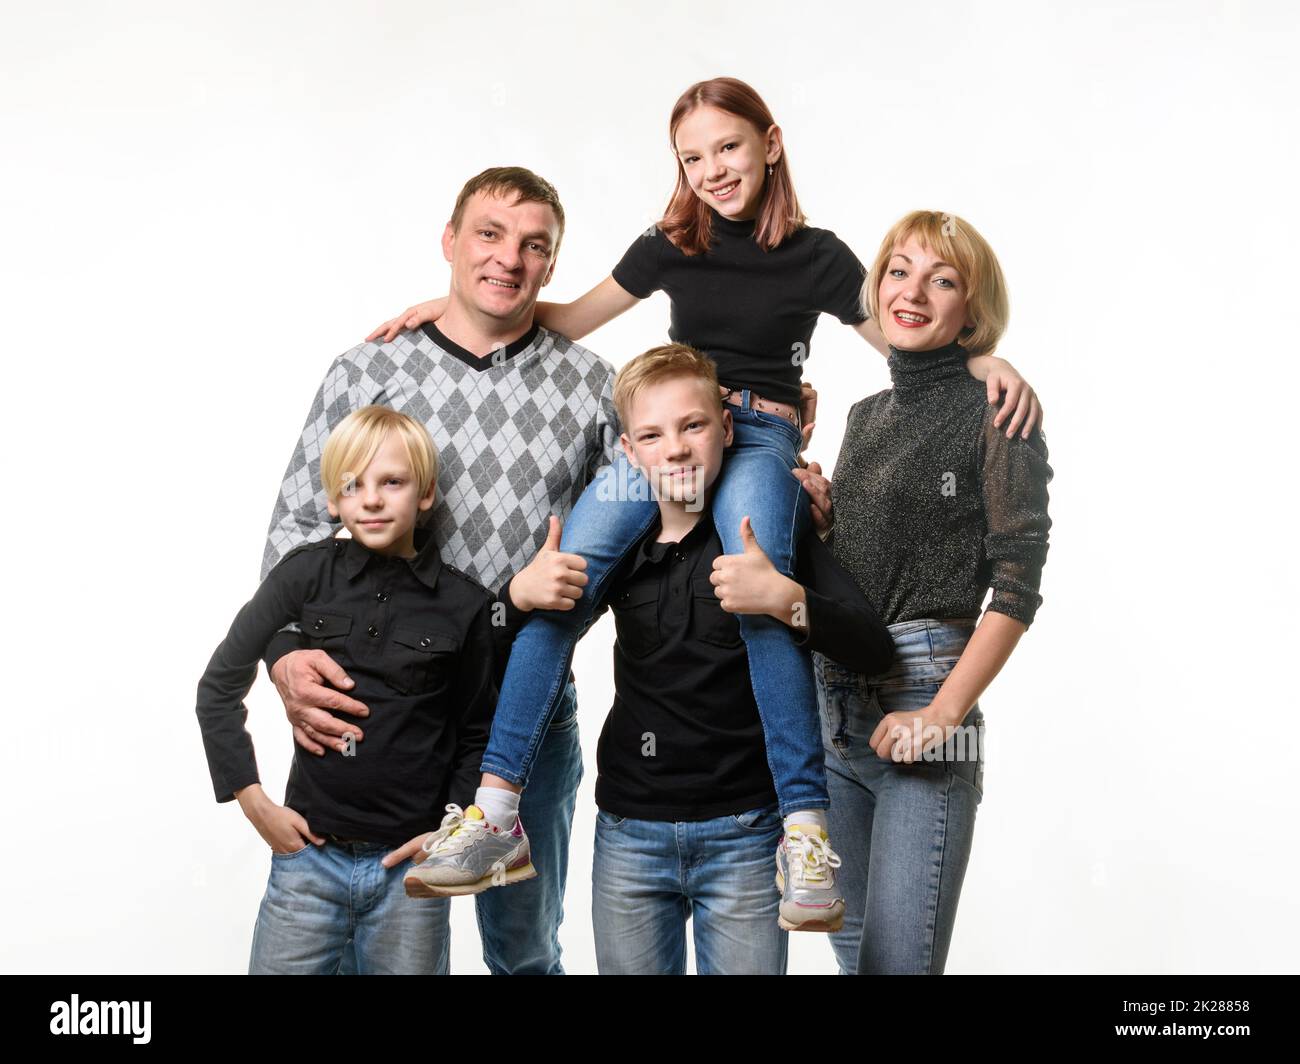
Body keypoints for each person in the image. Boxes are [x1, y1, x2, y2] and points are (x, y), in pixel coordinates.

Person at [366, 77, 1041, 920]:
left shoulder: (820, 256)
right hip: (672, 428)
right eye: (692, 158)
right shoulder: (671, 243)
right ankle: (497, 814)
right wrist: (457, 310)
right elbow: (567, 319)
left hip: (759, 438)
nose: (713, 170)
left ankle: (803, 831)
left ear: (771, 142)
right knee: (562, 581)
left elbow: (908, 341)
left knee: (758, 590)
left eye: (727, 147)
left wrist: (988, 362)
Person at [412, 345, 893, 968]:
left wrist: (787, 599)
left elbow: (874, 648)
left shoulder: (763, 533)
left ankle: (806, 832)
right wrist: (516, 594)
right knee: (553, 618)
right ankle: (497, 818)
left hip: (746, 835)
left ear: (726, 428)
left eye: (693, 426)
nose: (677, 448)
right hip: (629, 837)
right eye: (652, 435)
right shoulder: (619, 547)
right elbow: (497, 645)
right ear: (630, 453)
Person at [259, 166, 614, 974]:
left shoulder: (594, 387)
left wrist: (778, 441)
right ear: (450, 242)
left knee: (524, 948)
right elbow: (297, 526)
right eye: (488, 234)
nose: (508, 259)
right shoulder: (366, 371)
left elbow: (651, 509)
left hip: (524, 705)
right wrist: (283, 652)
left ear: (552, 267)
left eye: (534, 246)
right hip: (381, 705)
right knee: (359, 926)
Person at [818, 209, 1053, 974]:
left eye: (942, 278)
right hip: (835, 711)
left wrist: (943, 713)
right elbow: (869, 562)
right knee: (857, 961)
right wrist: (822, 518)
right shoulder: (863, 416)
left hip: (924, 690)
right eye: (899, 270)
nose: (912, 290)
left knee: (895, 964)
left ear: (972, 314)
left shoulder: (997, 411)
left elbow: (1018, 581)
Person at [196, 407, 497, 974]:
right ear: (333, 499)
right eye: (352, 485)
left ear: (426, 493)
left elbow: (478, 732)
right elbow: (218, 686)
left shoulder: (466, 605)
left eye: (392, 482)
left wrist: (449, 837)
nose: (372, 500)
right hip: (307, 863)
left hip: (409, 872)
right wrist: (254, 802)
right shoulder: (302, 575)